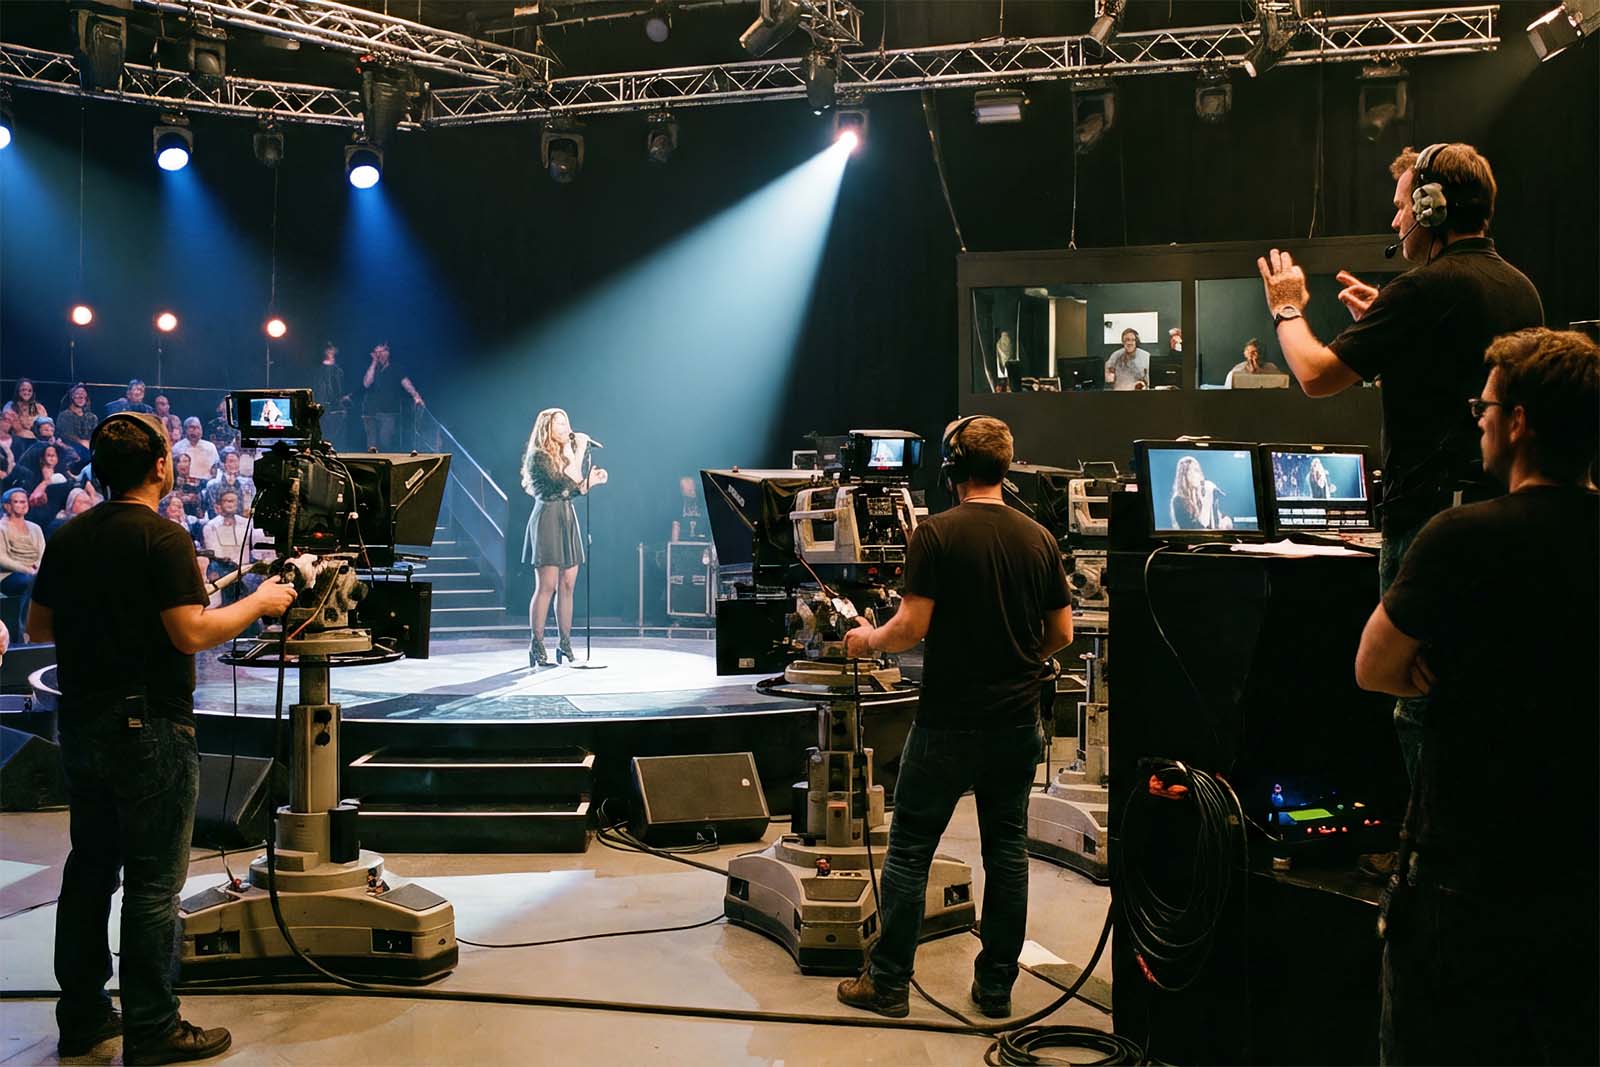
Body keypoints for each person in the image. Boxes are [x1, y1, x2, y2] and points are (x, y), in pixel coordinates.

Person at [1257, 142, 1543, 786]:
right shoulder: (1518, 287)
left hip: (1429, 523)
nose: (1394, 221)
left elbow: (1316, 374)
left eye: (1400, 207)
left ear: (1430, 207)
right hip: (1501, 516)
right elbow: (1454, 376)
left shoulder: (1423, 289)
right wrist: (1386, 327)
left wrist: (1287, 307)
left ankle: (1425, 843)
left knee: (1417, 699)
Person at [1354, 328, 1598, 1066]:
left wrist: (1429, 671)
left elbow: (1374, 665)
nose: (1478, 421)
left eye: (1484, 407)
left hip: (1465, 880)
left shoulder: (1459, 537)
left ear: (1518, 421)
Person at [28, 410, 295, 1064]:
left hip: (82, 724)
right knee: (152, 883)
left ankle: (83, 1017)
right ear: (159, 466)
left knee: (90, 871)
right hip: (149, 727)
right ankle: (152, 1027)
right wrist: (260, 603)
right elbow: (192, 633)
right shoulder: (164, 537)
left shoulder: (68, 535)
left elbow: (39, 627)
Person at [836, 415, 1073, 1021]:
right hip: (1017, 722)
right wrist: (1018, 659)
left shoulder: (935, 534)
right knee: (1008, 852)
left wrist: (865, 640)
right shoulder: (1039, 538)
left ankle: (888, 984)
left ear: (952, 469)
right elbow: (1062, 634)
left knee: (911, 850)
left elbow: (910, 628)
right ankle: (995, 990)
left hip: (947, 722)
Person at [519, 407, 608, 667]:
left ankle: (565, 644)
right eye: (559, 423)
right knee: (547, 585)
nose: (565, 427)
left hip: (567, 517)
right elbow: (560, 484)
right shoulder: (539, 456)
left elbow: (574, 487)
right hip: (548, 516)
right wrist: (577, 451)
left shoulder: (565, 453)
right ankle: (537, 645)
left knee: (568, 584)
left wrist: (591, 482)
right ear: (546, 428)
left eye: (566, 422)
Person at [362, 343, 424, 452]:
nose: (379, 355)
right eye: (377, 352)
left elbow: (406, 383)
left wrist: (416, 396)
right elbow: (367, 383)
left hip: (388, 412)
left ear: (388, 352)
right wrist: (374, 363)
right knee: (372, 445)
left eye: (382, 351)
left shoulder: (396, 368)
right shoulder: (371, 368)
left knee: (385, 441)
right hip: (370, 411)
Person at [0, 487, 45, 639]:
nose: (22, 505)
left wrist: (38, 568)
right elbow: (1, 558)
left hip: (34, 572)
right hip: (9, 576)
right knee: (31, 581)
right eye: (17, 502)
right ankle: (23, 631)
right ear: (7, 506)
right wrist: (26, 569)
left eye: (24, 501)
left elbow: (42, 553)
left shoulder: (35, 528)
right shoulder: (1, 528)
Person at [1168, 455, 1230, 530]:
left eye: (1198, 471)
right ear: (1184, 475)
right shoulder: (1178, 501)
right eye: (1194, 471)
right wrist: (1207, 500)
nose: (1198, 475)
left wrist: (1224, 521)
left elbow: (1215, 521)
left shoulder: (1200, 497)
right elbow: (1195, 529)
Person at [311, 342, 351, 449]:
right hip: (323, 409)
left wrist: (342, 401)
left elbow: (341, 389)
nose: (331, 352)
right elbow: (318, 389)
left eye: (332, 349)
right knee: (324, 435)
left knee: (337, 438)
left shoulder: (338, 370)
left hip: (335, 409)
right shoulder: (318, 371)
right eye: (329, 349)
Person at [202, 449, 254, 517]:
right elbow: (213, 510)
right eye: (231, 461)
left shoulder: (245, 484)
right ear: (223, 464)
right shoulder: (213, 485)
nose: (235, 464)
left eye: (237, 461)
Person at [55, 384, 99, 454]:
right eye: (77, 394)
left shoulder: (92, 417)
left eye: (83, 394)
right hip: (70, 449)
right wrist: (81, 442)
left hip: (89, 448)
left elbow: (95, 434)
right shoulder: (64, 415)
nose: (80, 397)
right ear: (72, 396)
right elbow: (66, 435)